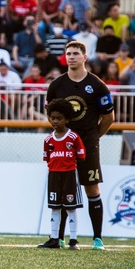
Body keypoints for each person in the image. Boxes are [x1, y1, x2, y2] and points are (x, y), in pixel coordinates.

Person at [46, 40, 114, 250]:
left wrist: (93, 138)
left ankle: (97, 238)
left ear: (85, 57)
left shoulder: (97, 85)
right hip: (61, 147)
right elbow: (50, 114)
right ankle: (58, 238)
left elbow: (109, 117)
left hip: (87, 145)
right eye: (68, 54)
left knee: (92, 189)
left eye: (76, 53)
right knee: (63, 188)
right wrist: (60, 136)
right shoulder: (57, 85)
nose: (71, 57)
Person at [37, 98, 86, 251]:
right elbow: (47, 158)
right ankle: (54, 239)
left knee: (71, 208)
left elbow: (81, 156)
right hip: (54, 175)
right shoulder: (48, 139)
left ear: (67, 119)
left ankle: (73, 239)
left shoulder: (73, 137)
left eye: (59, 118)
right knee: (55, 207)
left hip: (70, 175)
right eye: (53, 118)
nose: (55, 121)